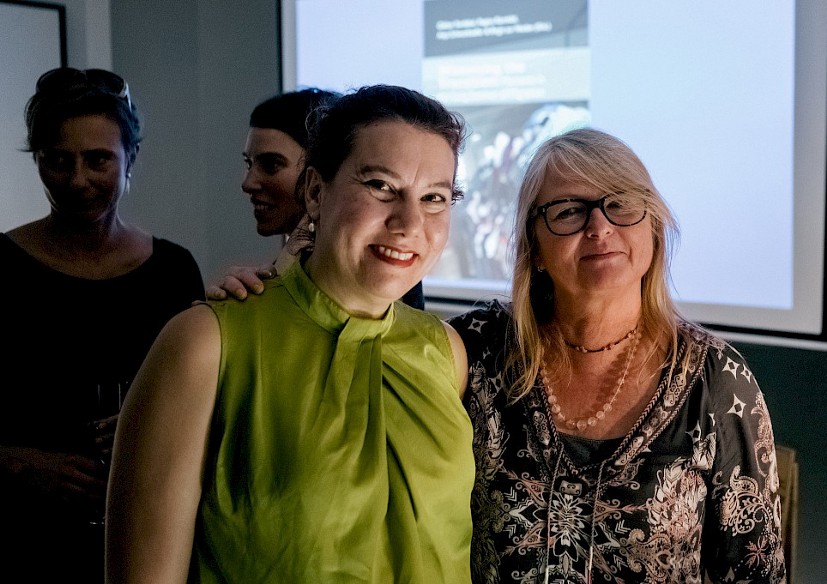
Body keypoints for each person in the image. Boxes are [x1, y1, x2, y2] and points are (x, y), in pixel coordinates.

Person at [105, 85, 474, 583]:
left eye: (434, 197)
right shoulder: (206, 344)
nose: (410, 223)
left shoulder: (444, 351)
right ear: (317, 191)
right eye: (382, 187)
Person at [448, 128, 785, 583]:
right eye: (568, 211)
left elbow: (755, 572)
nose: (600, 227)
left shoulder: (717, 380)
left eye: (621, 204)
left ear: (654, 229)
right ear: (536, 248)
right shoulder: (479, 350)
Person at [0, 67, 204, 582]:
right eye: (57, 161)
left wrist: (148, 426)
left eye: (98, 160)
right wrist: (20, 462)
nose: (77, 180)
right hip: (20, 533)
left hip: (142, 527)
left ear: (129, 159)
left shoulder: (173, 270)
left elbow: (205, 403)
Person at [212, 88, 426, 309]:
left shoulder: (380, 267)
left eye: (271, 164)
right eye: (249, 164)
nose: (247, 183)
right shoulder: (277, 275)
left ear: (316, 181)